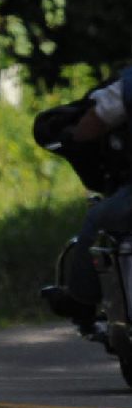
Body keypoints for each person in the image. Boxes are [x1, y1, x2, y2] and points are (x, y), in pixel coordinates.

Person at [41, 67, 132, 327]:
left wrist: (73, 137)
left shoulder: (128, 84)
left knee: (100, 217)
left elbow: (98, 117)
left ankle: (80, 299)